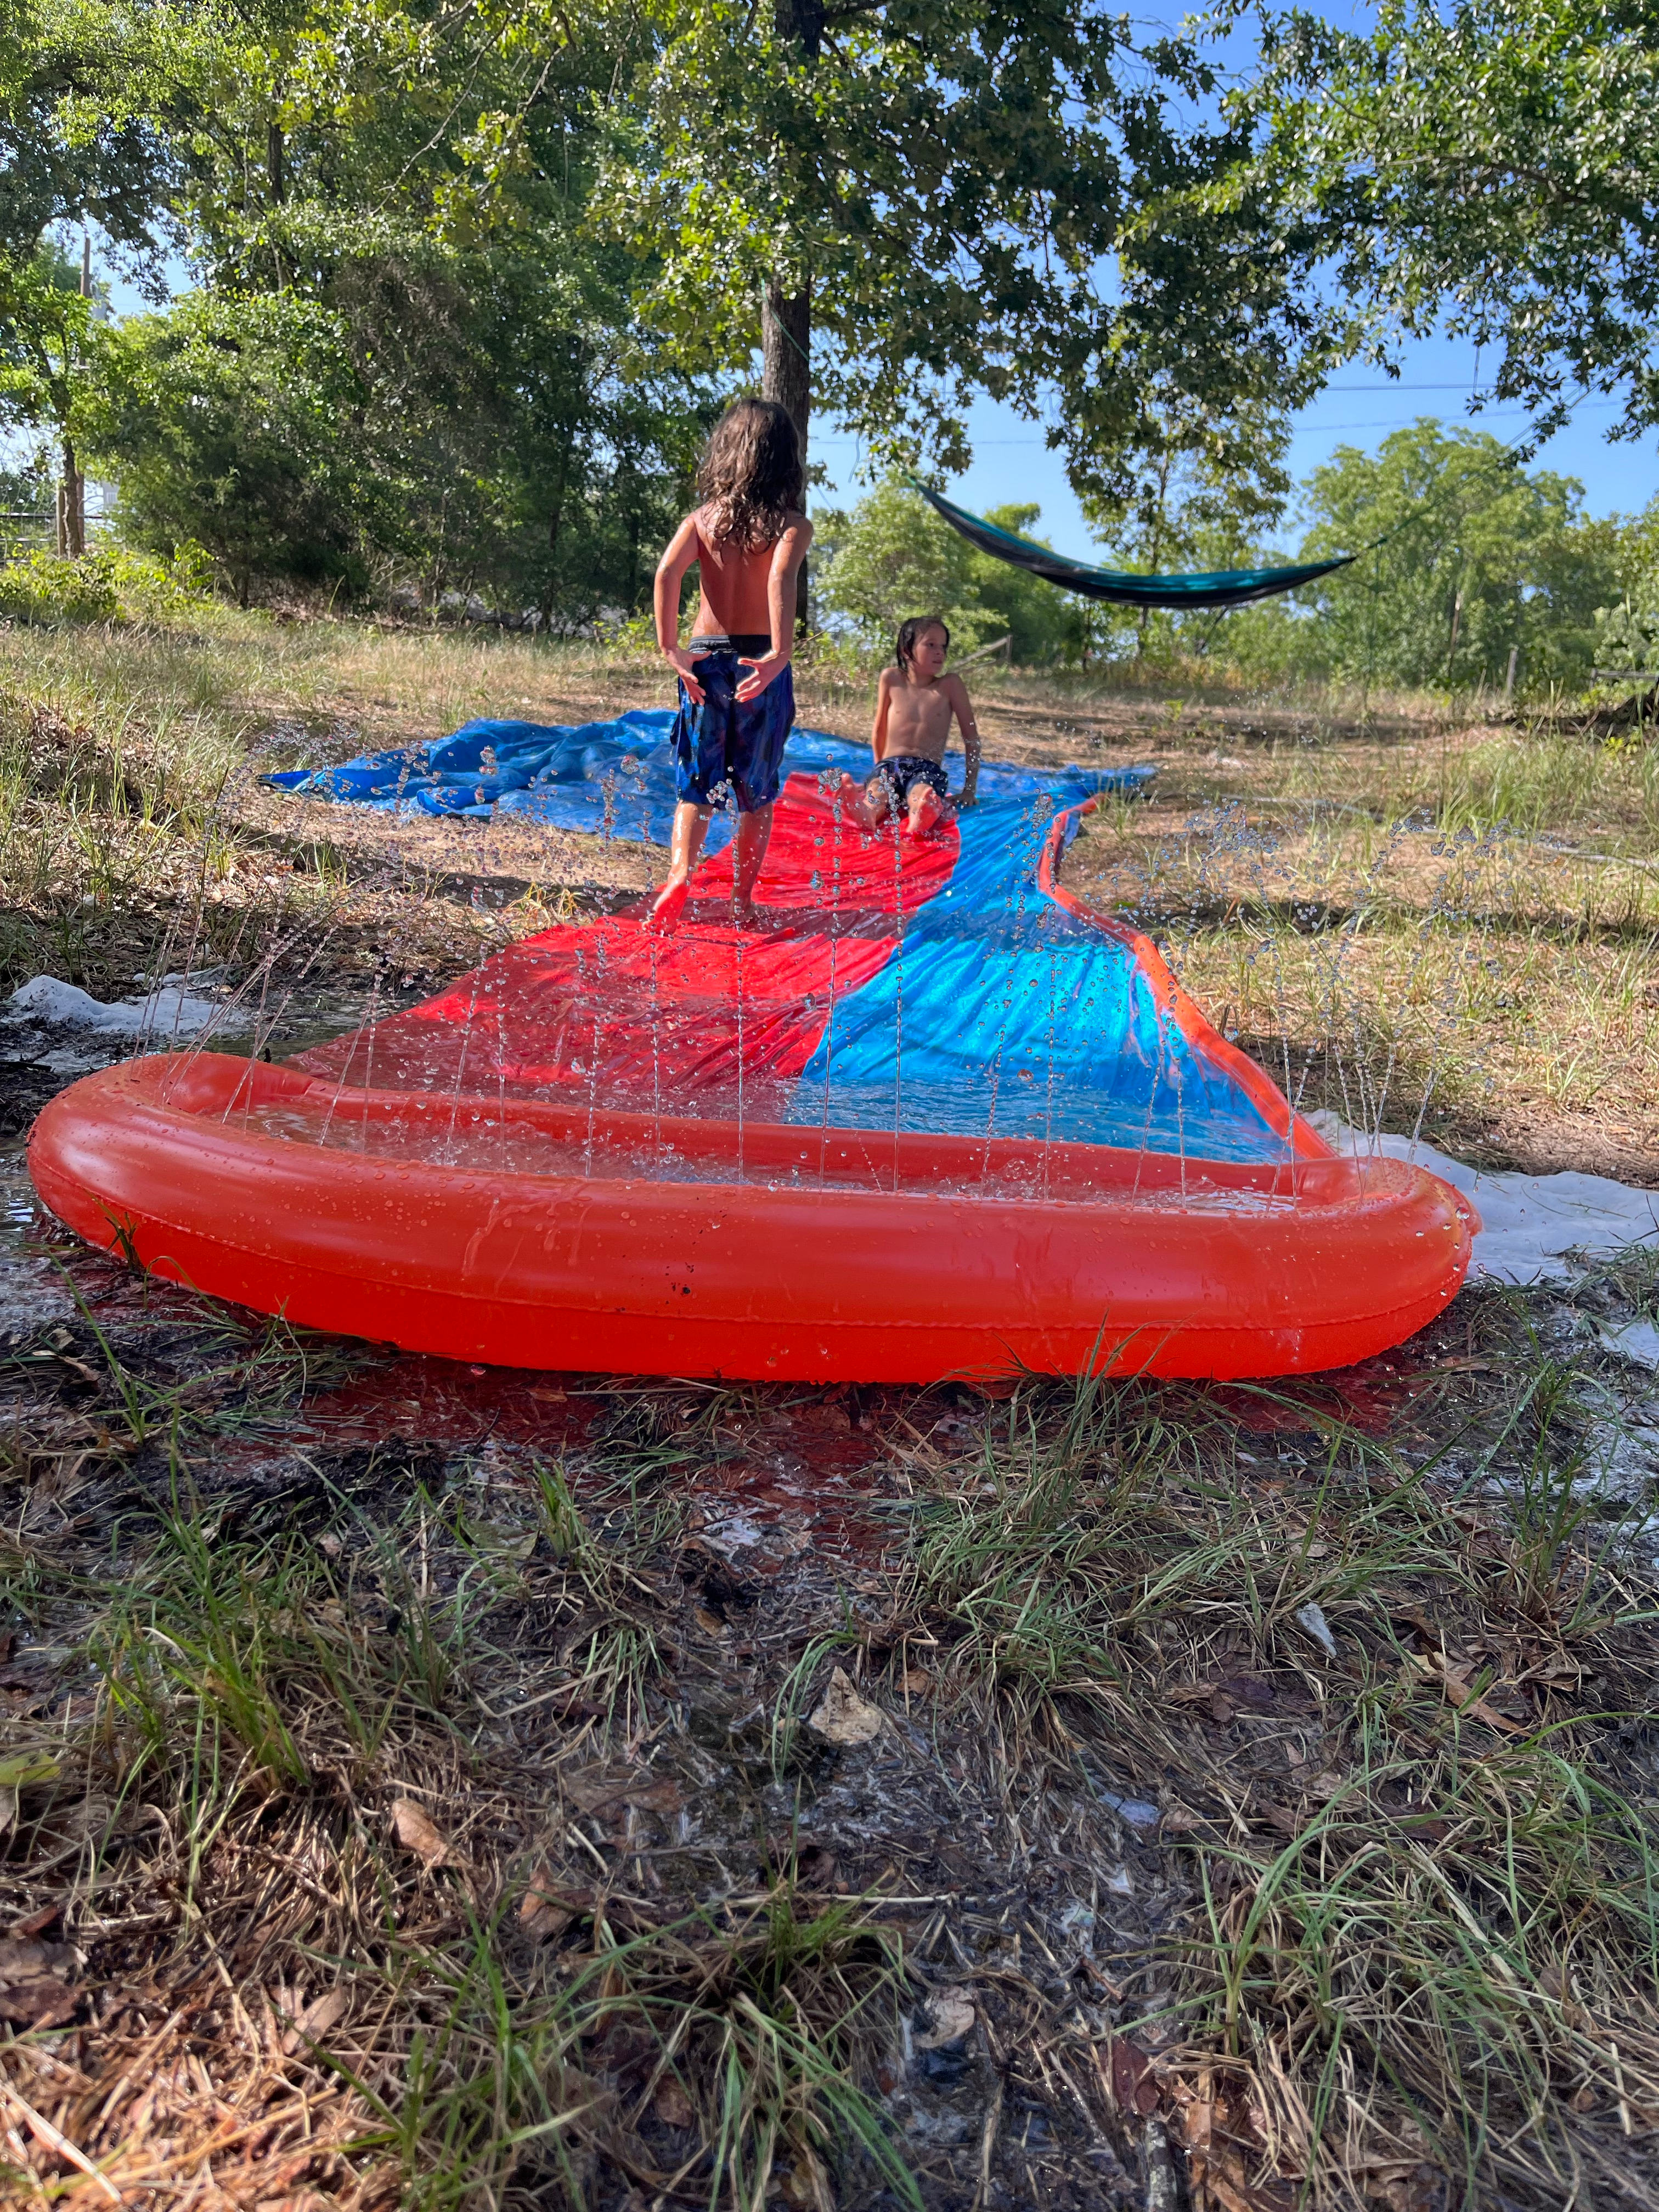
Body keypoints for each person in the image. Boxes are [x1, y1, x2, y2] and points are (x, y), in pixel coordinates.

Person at [647, 398, 812, 929]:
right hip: (758, 658)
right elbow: (778, 579)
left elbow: (667, 575)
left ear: (726, 453)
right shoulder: (790, 525)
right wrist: (780, 653)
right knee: (756, 790)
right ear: (785, 460)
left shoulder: (702, 520)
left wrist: (671, 646)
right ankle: (742, 901)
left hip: (706, 658)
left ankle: (678, 876)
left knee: (698, 781)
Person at [853, 616, 981, 837]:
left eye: (943, 646)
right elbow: (879, 729)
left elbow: (971, 738)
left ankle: (919, 820)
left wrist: (969, 789)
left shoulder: (950, 685)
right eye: (931, 645)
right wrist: (877, 770)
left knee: (922, 795)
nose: (940, 652)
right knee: (878, 793)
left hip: (926, 768)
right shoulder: (891, 678)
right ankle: (867, 811)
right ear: (906, 650)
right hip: (889, 765)